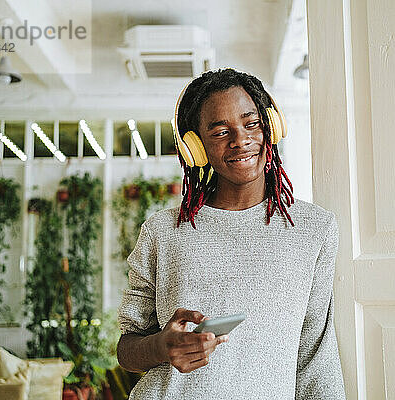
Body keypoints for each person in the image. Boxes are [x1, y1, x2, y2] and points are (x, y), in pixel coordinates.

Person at [116, 68, 346, 399]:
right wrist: (161, 347)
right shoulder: (162, 232)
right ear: (196, 147)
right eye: (221, 131)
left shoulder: (315, 229)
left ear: (271, 127)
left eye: (251, 124)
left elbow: (315, 357)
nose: (241, 140)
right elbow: (128, 350)